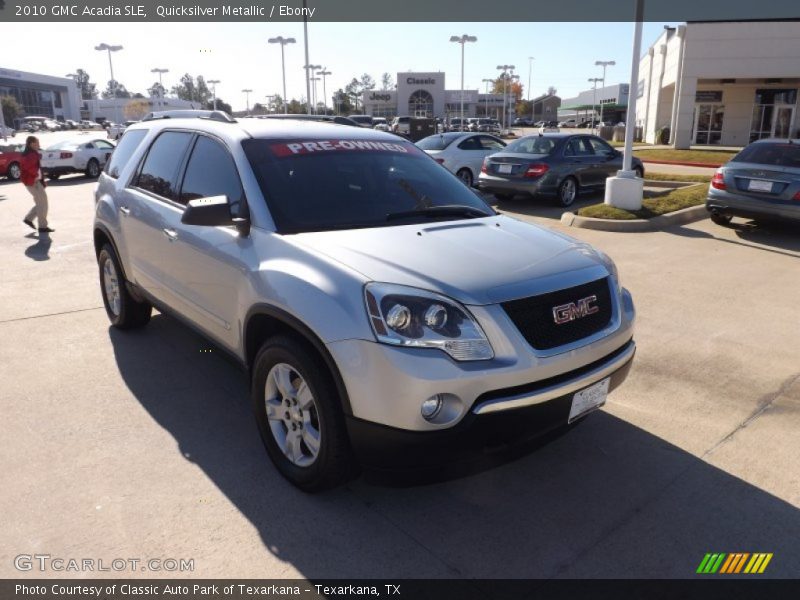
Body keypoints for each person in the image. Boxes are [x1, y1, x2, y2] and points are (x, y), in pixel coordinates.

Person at [20, 136, 54, 233]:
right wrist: (34, 175)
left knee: (41, 203)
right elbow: (27, 167)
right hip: (33, 182)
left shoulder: (32, 153)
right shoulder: (30, 155)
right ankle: (42, 226)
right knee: (43, 203)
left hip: (35, 181)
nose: (39, 145)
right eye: (37, 143)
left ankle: (29, 219)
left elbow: (35, 167)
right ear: (31, 144)